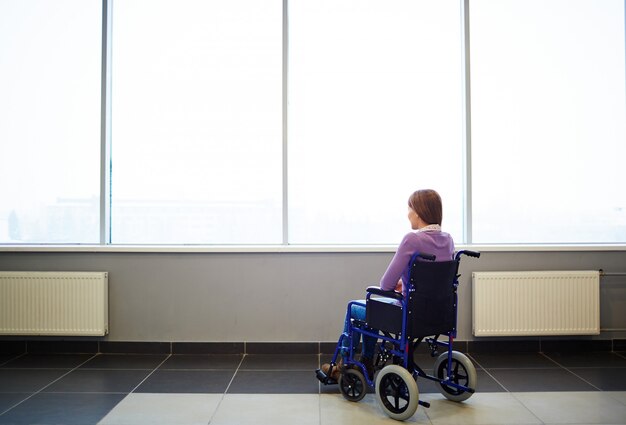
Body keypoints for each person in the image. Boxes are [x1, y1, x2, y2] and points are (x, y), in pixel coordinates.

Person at [321, 189, 455, 380]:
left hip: (409, 315)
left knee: (356, 308)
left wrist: (400, 283)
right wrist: (407, 283)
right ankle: (366, 362)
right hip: (439, 315)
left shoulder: (412, 239)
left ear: (418, 211)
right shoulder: (448, 240)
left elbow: (385, 285)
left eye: (409, 209)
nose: (407, 213)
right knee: (373, 311)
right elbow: (435, 280)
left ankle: (345, 365)